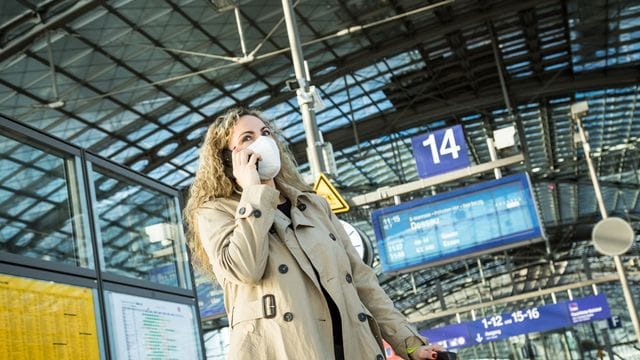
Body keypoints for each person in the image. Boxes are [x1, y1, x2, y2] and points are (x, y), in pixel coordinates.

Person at [184, 107, 443, 360]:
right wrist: (253, 193)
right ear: (228, 159)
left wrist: (410, 344)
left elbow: (362, 281)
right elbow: (244, 269)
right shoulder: (214, 211)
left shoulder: (314, 205)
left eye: (265, 133)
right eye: (247, 138)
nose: (262, 141)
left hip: (352, 347)